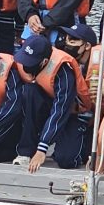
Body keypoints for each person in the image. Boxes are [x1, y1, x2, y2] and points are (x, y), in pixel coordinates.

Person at [13, 34, 93, 172]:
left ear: (44, 62)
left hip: (71, 114)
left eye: (30, 62)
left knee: (66, 159)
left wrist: (42, 148)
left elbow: (60, 110)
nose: (26, 64)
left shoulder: (64, 72)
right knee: (29, 91)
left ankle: (83, 144)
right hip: (47, 105)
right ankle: (25, 151)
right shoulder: (30, 64)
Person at [56, 22, 104, 108]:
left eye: (73, 40)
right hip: (90, 110)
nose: (68, 44)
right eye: (67, 39)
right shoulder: (73, 65)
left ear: (87, 46)